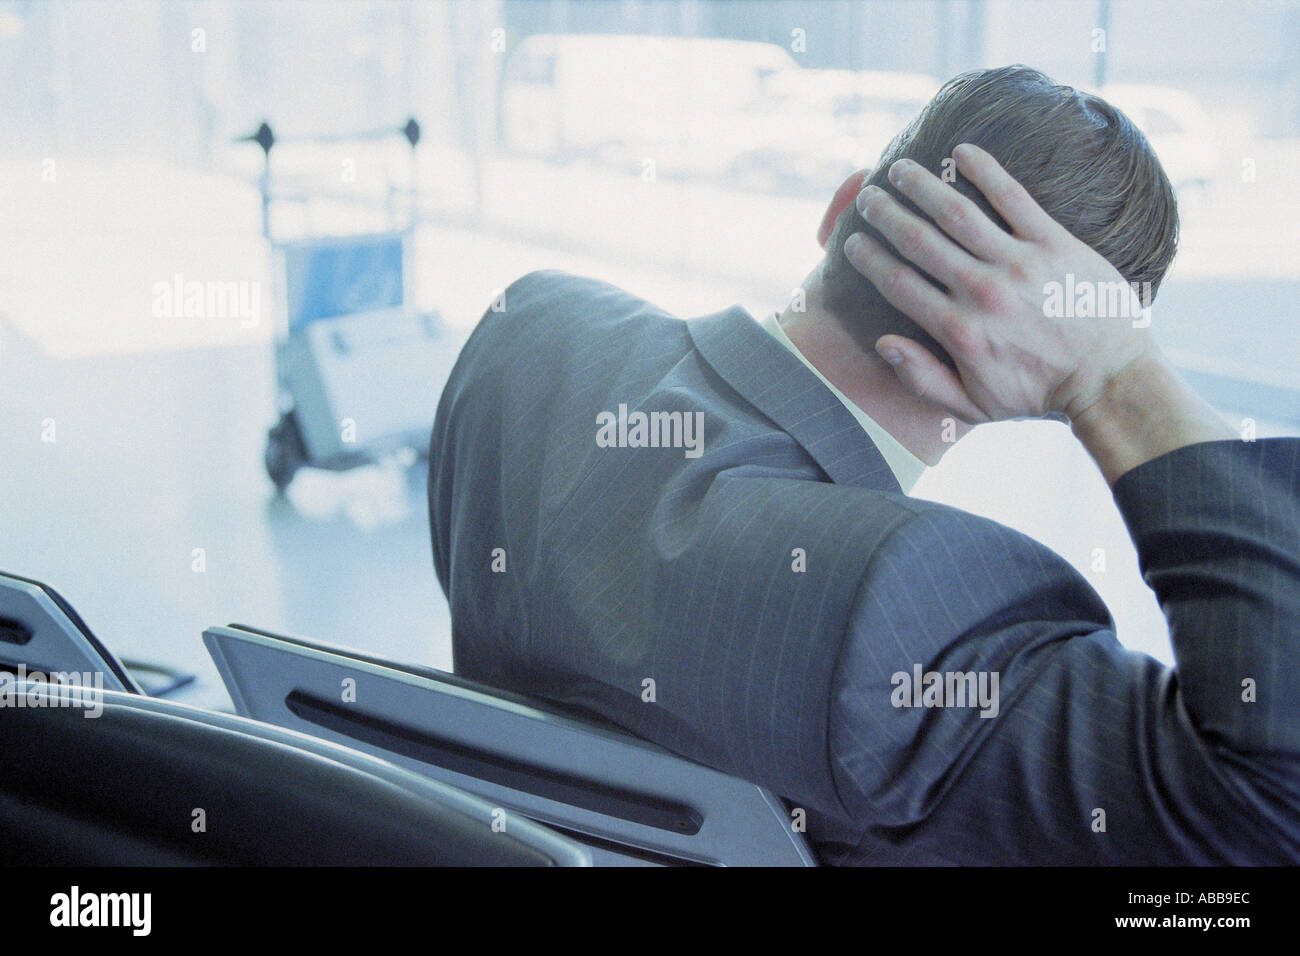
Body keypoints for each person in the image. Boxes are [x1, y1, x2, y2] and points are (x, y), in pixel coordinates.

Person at [428, 66, 1300, 864]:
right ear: (1034, 361)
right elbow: (1273, 807)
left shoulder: (529, 335)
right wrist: (1115, 378)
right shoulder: (915, 600)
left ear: (841, 205)